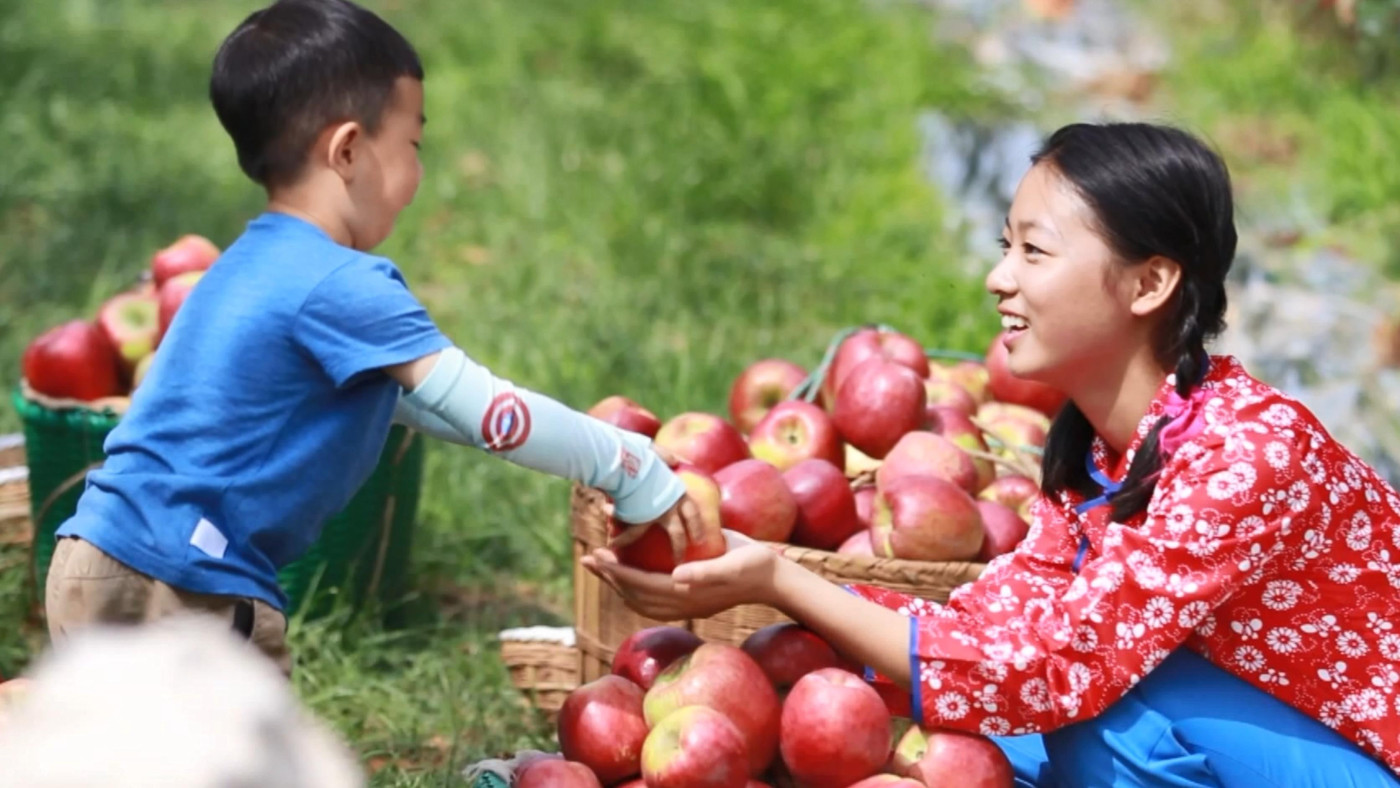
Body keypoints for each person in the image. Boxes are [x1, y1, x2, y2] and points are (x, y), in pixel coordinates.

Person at [583, 122, 1400, 786]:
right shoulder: (1104, 452)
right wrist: (794, 631)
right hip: (1259, 726)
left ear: (1149, 284)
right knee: (979, 719)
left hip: (1365, 755)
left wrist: (782, 580)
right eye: (1004, 246)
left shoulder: (1244, 453)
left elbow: (1057, 662)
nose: (996, 278)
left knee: (1092, 731)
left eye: (1032, 253)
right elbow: (1004, 613)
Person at [44, 0, 702, 677]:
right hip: (184, 587)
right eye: (412, 145)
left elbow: (417, 406)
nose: (418, 176)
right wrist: (628, 466)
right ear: (350, 149)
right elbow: (495, 415)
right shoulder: (340, 283)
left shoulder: (244, 265)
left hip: (96, 554)